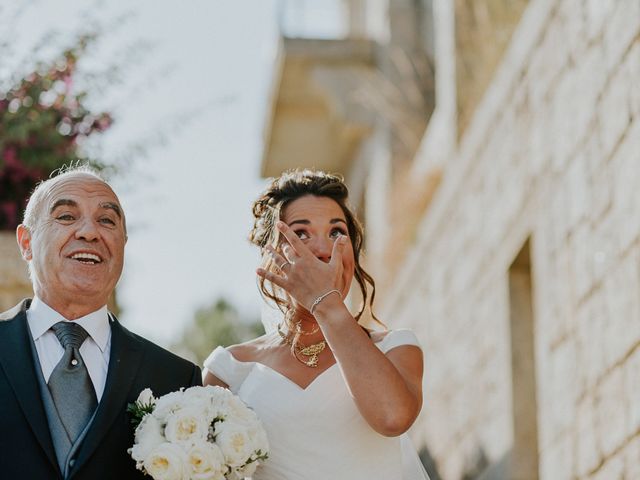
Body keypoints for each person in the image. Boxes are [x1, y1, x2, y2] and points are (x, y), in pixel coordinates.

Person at [203, 169, 429, 479]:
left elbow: (392, 417)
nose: (323, 250)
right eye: (301, 233)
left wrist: (326, 304)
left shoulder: (395, 348)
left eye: (337, 232)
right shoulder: (229, 368)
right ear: (271, 256)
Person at [0, 166, 202, 479]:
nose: (90, 232)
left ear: (123, 243)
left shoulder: (176, 379)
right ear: (26, 242)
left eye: (106, 220)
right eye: (66, 216)